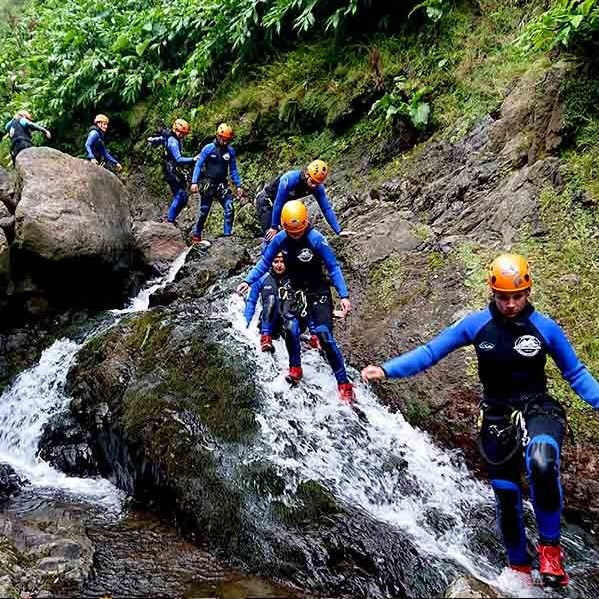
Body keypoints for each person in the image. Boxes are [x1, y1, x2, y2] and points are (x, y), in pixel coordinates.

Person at [361, 253, 599, 587]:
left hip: (538, 409)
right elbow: (431, 353)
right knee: (505, 493)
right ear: (493, 293)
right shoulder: (475, 325)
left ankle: (550, 550)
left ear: (528, 291)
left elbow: (576, 373)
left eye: (517, 296)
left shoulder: (545, 328)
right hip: (496, 416)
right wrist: (386, 370)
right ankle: (519, 568)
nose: (511, 304)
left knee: (542, 461)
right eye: (504, 297)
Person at [237, 200, 354, 403]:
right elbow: (265, 262)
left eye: (299, 231)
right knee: (290, 326)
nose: (296, 235)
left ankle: (344, 383)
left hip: (318, 292)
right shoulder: (281, 239)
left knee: (324, 335)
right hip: (295, 291)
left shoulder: (316, 239)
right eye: (292, 232)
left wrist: (343, 295)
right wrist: (248, 281)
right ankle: (295, 367)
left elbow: (333, 267)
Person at [257, 160, 341, 242]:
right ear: (307, 175)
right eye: (312, 182)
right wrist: (274, 227)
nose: (314, 185)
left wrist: (338, 231)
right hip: (266, 201)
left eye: (317, 183)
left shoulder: (317, 187)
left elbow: (326, 208)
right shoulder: (290, 179)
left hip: (283, 205)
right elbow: (278, 203)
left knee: (293, 235)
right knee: (272, 237)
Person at [190, 123, 243, 243]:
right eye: (223, 139)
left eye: (228, 140)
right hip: (208, 183)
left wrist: (238, 185)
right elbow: (198, 165)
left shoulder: (230, 151)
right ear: (218, 136)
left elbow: (233, 169)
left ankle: (227, 237)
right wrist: (194, 182)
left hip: (221, 185)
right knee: (204, 211)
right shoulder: (208, 148)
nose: (225, 142)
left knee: (229, 208)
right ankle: (197, 234)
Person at [148, 119, 198, 224]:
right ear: (175, 130)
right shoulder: (173, 142)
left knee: (183, 197)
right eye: (180, 133)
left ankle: (171, 219)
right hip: (171, 170)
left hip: (172, 169)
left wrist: (152, 140)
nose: (182, 135)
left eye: (183, 134)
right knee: (180, 195)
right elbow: (178, 159)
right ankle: (169, 220)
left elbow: (161, 139)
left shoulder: (171, 137)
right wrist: (193, 159)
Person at [243, 252, 288, 353]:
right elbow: (251, 302)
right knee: (271, 299)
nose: (279, 265)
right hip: (269, 321)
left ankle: (313, 338)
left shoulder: (293, 278)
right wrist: (245, 325)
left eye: (282, 262)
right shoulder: (261, 278)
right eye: (276, 262)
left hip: (287, 322)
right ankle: (265, 338)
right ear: (271, 263)